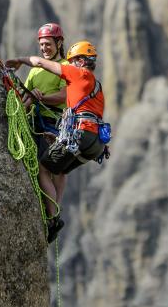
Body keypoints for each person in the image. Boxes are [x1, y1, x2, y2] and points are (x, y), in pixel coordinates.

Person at [6, 40, 106, 242]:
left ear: (79, 61)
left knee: (44, 166)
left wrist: (20, 60)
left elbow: (41, 63)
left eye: (73, 60)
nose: (70, 64)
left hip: (81, 136)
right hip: (96, 144)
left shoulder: (76, 73)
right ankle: (55, 211)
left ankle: (53, 218)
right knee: (59, 170)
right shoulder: (96, 85)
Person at [23, 23, 68, 153]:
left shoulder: (65, 67)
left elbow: (62, 96)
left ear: (59, 43)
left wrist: (38, 98)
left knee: (50, 168)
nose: (44, 48)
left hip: (53, 125)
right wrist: (31, 94)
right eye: (42, 44)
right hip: (34, 125)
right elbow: (23, 97)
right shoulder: (35, 70)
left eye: (48, 44)